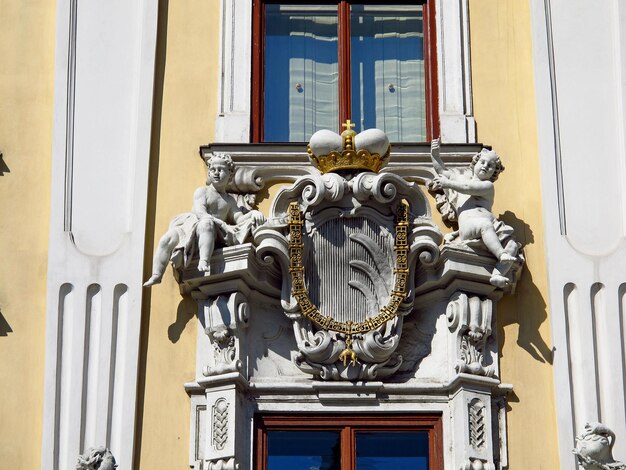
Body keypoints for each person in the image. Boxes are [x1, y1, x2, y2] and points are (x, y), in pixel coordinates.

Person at [144, 153, 265, 287]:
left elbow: (239, 219)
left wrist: (253, 213)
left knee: (206, 225)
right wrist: (223, 224)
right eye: (213, 170)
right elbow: (201, 213)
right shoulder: (202, 192)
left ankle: (204, 261)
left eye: (221, 170)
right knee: (167, 239)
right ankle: (156, 274)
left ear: (230, 174)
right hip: (190, 226)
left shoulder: (229, 201)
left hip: (209, 230)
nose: (216, 173)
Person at [429, 139, 518, 286]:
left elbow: (468, 187)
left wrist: (447, 183)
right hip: (470, 226)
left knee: (513, 245)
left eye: (490, 166)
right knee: (484, 225)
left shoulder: (487, 186)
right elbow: (442, 171)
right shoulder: (460, 179)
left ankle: (497, 274)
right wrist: (435, 155)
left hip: (493, 225)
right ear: (474, 163)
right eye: (482, 162)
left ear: (494, 173)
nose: (485, 166)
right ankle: (501, 254)